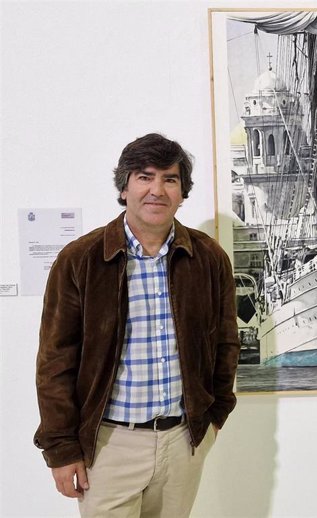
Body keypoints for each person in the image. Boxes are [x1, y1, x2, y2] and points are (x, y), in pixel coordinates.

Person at [34, 133, 241, 517]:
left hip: (183, 442)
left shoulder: (208, 257)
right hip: (109, 446)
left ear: (182, 192)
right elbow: (54, 363)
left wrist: (215, 415)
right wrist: (61, 448)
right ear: (124, 186)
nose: (157, 190)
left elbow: (227, 343)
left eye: (170, 179)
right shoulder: (81, 259)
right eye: (145, 177)